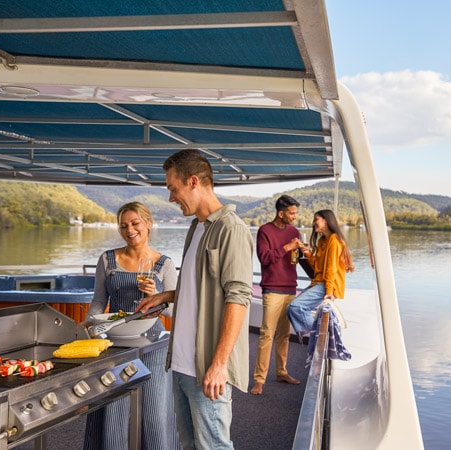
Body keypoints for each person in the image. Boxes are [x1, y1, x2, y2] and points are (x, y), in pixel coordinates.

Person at [138, 149, 253, 450]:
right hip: (181, 365)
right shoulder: (196, 228)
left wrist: (219, 364)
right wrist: (167, 296)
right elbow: (200, 288)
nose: (171, 198)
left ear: (193, 182)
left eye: (173, 189)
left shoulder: (231, 229)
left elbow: (238, 299)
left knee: (214, 446)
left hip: (207, 368)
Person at [83, 201, 181, 450]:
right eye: (124, 225)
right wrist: (91, 328)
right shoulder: (107, 260)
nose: (129, 230)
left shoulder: (165, 264)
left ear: (148, 224)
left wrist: (158, 293)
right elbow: (98, 302)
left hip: (153, 343)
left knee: (153, 413)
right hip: (115, 343)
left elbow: (172, 311)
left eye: (135, 223)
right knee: (113, 410)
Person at [250, 195, 303, 395]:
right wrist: (287, 247)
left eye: (295, 213)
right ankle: (259, 380)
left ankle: (282, 372)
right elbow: (265, 258)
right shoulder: (265, 231)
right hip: (272, 289)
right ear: (281, 213)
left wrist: (301, 251)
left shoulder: (294, 232)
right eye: (292, 213)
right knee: (266, 335)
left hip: (290, 289)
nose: (295, 217)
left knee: (284, 335)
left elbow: (294, 261)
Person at [287, 209, 354, 338]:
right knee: (291, 308)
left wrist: (329, 292)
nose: (313, 223)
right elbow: (317, 265)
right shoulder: (323, 241)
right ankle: (315, 337)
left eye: (316, 219)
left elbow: (331, 268)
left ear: (326, 220)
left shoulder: (334, 240)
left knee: (296, 307)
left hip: (326, 285)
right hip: (318, 282)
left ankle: (318, 338)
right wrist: (306, 252)